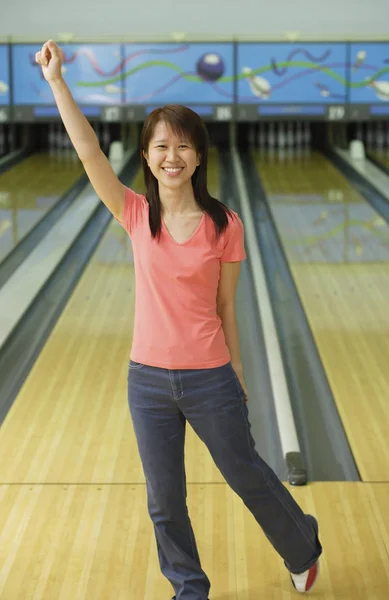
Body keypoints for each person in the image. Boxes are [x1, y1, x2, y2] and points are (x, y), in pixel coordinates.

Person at [36, 40, 322, 600]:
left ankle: (302, 545)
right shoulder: (135, 213)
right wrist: (56, 82)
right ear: (146, 156)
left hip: (210, 378)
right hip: (146, 381)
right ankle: (189, 588)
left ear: (198, 157)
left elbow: (225, 309)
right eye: (161, 146)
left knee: (247, 474)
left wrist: (236, 373)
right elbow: (89, 150)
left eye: (183, 146)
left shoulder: (226, 225)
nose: (172, 155)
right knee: (164, 499)